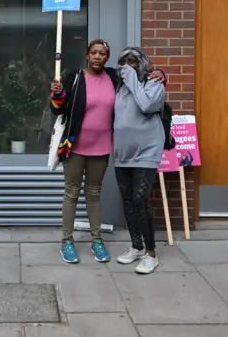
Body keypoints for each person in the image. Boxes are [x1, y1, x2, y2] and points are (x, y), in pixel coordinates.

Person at [50, 40, 166, 264]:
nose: (97, 56)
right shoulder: (74, 76)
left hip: (102, 147)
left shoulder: (115, 78)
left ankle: (96, 240)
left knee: (94, 195)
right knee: (71, 193)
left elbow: (141, 76)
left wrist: (161, 73)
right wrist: (57, 94)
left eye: (102, 54)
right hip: (75, 146)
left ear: (107, 58)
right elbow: (58, 108)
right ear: (87, 55)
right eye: (93, 52)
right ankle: (66, 242)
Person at [112, 46, 166, 274]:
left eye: (133, 61)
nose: (128, 66)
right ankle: (136, 246)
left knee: (141, 199)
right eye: (124, 62)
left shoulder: (154, 84)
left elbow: (146, 105)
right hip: (122, 152)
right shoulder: (118, 87)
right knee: (128, 201)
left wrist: (136, 77)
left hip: (147, 151)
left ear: (143, 63)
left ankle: (151, 253)